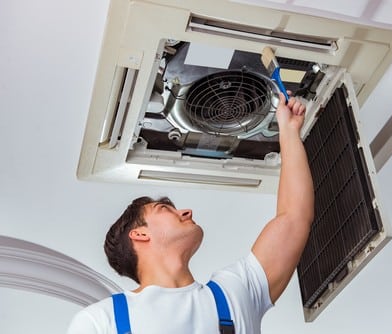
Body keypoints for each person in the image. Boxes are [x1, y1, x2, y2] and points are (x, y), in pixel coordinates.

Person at [66, 92, 314, 334]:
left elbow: (294, 217)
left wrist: (289, 132)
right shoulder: (100, 321)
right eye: (164, 209)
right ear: (140, 234)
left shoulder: (235, 294)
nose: (186, 212)